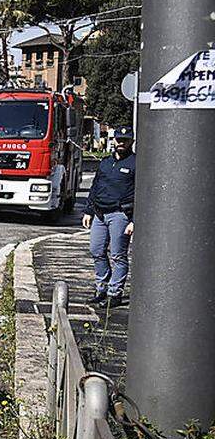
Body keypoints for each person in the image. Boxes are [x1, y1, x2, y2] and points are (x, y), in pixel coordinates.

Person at [82, 125, 135, 305]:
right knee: (96, 250)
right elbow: (95, 187)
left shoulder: (136, 163)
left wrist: (134, 221)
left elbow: (142, 193)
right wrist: (88, 211)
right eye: (119, 139)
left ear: (131, 141)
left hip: (120, 215)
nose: (121, 143)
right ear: (114, 140)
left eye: (125, 140)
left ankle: (115, 293)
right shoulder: (105, 162)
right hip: (99, 213)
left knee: (118, 255)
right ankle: (101, 288)